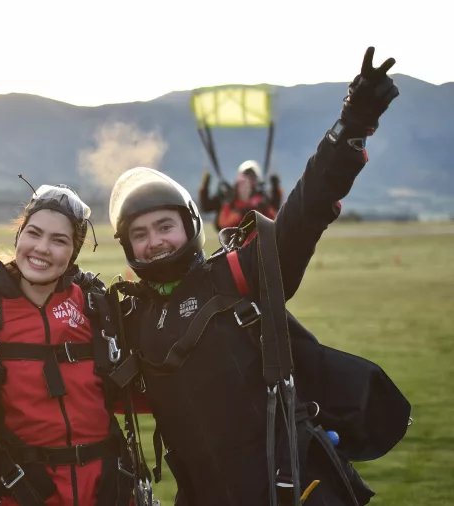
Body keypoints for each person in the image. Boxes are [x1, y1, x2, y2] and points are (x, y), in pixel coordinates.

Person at [107, 47, 411, 505]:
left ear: (188, 227)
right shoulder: (131, 316)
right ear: (127, 247)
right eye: (141, 234)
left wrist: (352, 124)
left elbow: (305, 211)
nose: (156, 242)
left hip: (289, 489)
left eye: (165, 226)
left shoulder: (239, 273)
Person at [0, 183, 149, 506]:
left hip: (110, 492)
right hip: (25, 493)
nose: (42, 248)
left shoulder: (97, 308)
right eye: (34, 233)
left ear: (74, 251)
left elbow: (146, 392)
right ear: (19, 237)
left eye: (59, 240)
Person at [198, 159, 284, 231]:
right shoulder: (229, 200)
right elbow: (207, 207)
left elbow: (274, 216)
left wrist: (276, 188)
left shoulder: (262, 201)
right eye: (245, 179)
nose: (246, 185)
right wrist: (205, 187)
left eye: (251, 179)